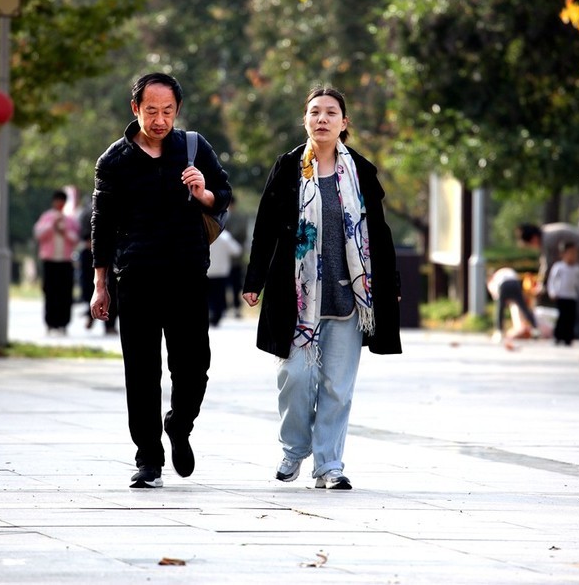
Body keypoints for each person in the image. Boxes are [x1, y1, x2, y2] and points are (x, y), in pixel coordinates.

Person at [242, 86, 401, 491]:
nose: (322, 119)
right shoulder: (288, 167)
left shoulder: (360, 171)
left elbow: (379, 232)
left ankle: (329, 464)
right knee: (294, 376)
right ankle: (294, 449)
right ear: (305, 120)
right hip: (296, 296)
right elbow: (265, 227)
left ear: (344, 123)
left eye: (331, 112)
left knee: (337, 386)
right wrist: (254, 280)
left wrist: (391, 284)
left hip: (348, 296)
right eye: (315, 112)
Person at [89, 72, 232, 489]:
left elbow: (223, 195)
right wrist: (100, 284)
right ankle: (148, 458)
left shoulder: (193, 147)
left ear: (177, 110)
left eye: (168, 111)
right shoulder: (113, 161)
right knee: (141, 371)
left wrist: (203, 193)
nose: (160, 120)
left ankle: (179, 425)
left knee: (194, 366)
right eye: (151, 111)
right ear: (135, 109)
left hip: (188, 274)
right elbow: (101, 226)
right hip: (137, 277)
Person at [516, 222, 579, 339]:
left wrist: (542, 285)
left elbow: (549, 264)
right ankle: (572, 331)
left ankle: (577, 332)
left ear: (533, 239)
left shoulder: (548, 239)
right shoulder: (547, 233)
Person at [33, 190, 80, 335]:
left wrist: (64, 231)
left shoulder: (70, 220)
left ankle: (63, 322)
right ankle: (50, 322)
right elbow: (38, 234)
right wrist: (52, 225)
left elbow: (75, 239)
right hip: (50, 261)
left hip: (65, 261)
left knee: (65, 293)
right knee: (50, 292)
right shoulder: (47, 217)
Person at [547, 241, 579, 346]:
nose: (573, 255)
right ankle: (558, 336)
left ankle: (568, 337)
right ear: (563, 254)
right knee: (562, 317)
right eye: (570, 253)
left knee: (571, 317)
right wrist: (552, 291)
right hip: (561, 296)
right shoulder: (558, 267)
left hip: (572, 296)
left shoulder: (577, 269)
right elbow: (552, 280)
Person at [487, 267, 540, 343]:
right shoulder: (507, 271)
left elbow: (495, 294)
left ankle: (499, 331)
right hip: (515, 284)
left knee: (500, 309)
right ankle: (535, 329)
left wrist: (502, 300)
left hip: (504, 285)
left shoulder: (495, 277)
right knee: (523, 308)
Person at [207, 228, 242, 327]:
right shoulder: (225, 237)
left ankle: (211, 313)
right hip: (221, 272)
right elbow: (237, 250)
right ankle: (217, 315)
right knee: (219, 295)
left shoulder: (205, 234)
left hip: (208, 271)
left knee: (209, 296)